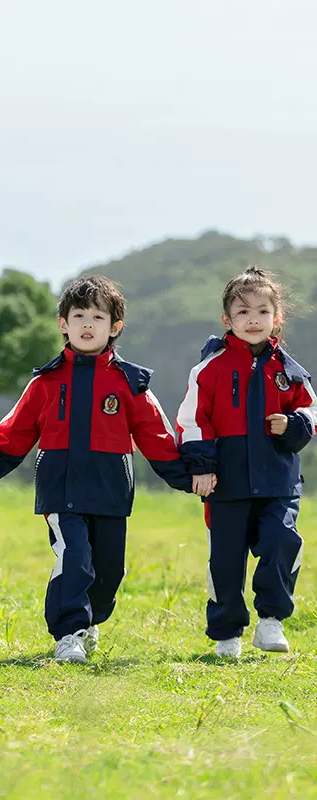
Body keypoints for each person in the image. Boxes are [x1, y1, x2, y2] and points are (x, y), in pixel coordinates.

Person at [0, 276, 192, 663]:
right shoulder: (45, 381)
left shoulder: (131, 383)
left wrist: (191, 477)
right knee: (74, 558)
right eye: (79, 316)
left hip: (111, 490)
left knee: (108, 572)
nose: (88, 325)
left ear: (114, 327)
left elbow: (157, 437)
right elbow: (14, 433)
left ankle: (90, 622)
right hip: (62, 489)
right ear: (63, 324)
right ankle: (68, 633)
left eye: (97, 317)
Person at [177, 266, 316, 658]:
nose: (252, 319)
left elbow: (311, 412)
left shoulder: (290, 371)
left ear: (276, 317)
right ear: (227, 320)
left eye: (261, 311)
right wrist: (202, 466)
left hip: (278, 482)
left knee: (282, 541)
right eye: (242, 312)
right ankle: (227, 634)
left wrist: (292, 425)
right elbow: (190, 421)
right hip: (227, 484)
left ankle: (271, 621)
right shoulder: (210, 369)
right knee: (225, 559)